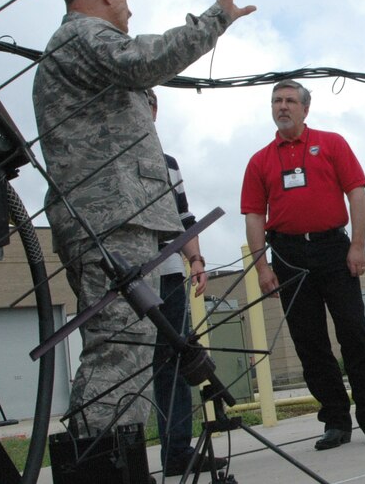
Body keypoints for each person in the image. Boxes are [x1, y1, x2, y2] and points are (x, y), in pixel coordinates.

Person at [32, 0, 255, 437]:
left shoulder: (78, 45)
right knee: (119, 349)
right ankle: (102, 458)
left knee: (126, 346)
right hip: (110, 220)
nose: (130, 10)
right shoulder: (82, 36)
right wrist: (216, 17)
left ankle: (114, 458)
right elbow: (142, 59)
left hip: (115, 218)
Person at [241, 80, 365, 451]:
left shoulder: (332, 144)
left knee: (354, 333)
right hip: (288, 256)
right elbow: (253, 216)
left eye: (289, 100)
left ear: (305, 108)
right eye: (276, 101)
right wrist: (262, 268)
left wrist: (357, 245)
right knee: (309, 342)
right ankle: (335, 421)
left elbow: (356, 193)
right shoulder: (260, 160)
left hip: (333, 248)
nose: (282, 106)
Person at [146, 89, 226, 476]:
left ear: (154, 111)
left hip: (168, 276)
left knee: (174, 362)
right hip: (127, 277)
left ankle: (177, 451)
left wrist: (195, 259)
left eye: (147, 105)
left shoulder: (168, 164)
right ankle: (118, 455)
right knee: (129, 364)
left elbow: (183, 218)